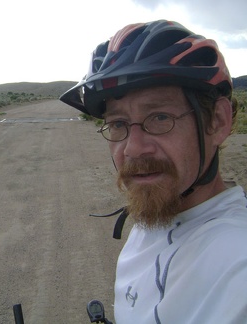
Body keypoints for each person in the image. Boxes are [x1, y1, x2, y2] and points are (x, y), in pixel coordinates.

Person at [60, 20, 247, 323]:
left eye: (160, 117)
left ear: (217, 122)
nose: (133, 149)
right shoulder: (154, 221)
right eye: (118, 124)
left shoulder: (237, 263)